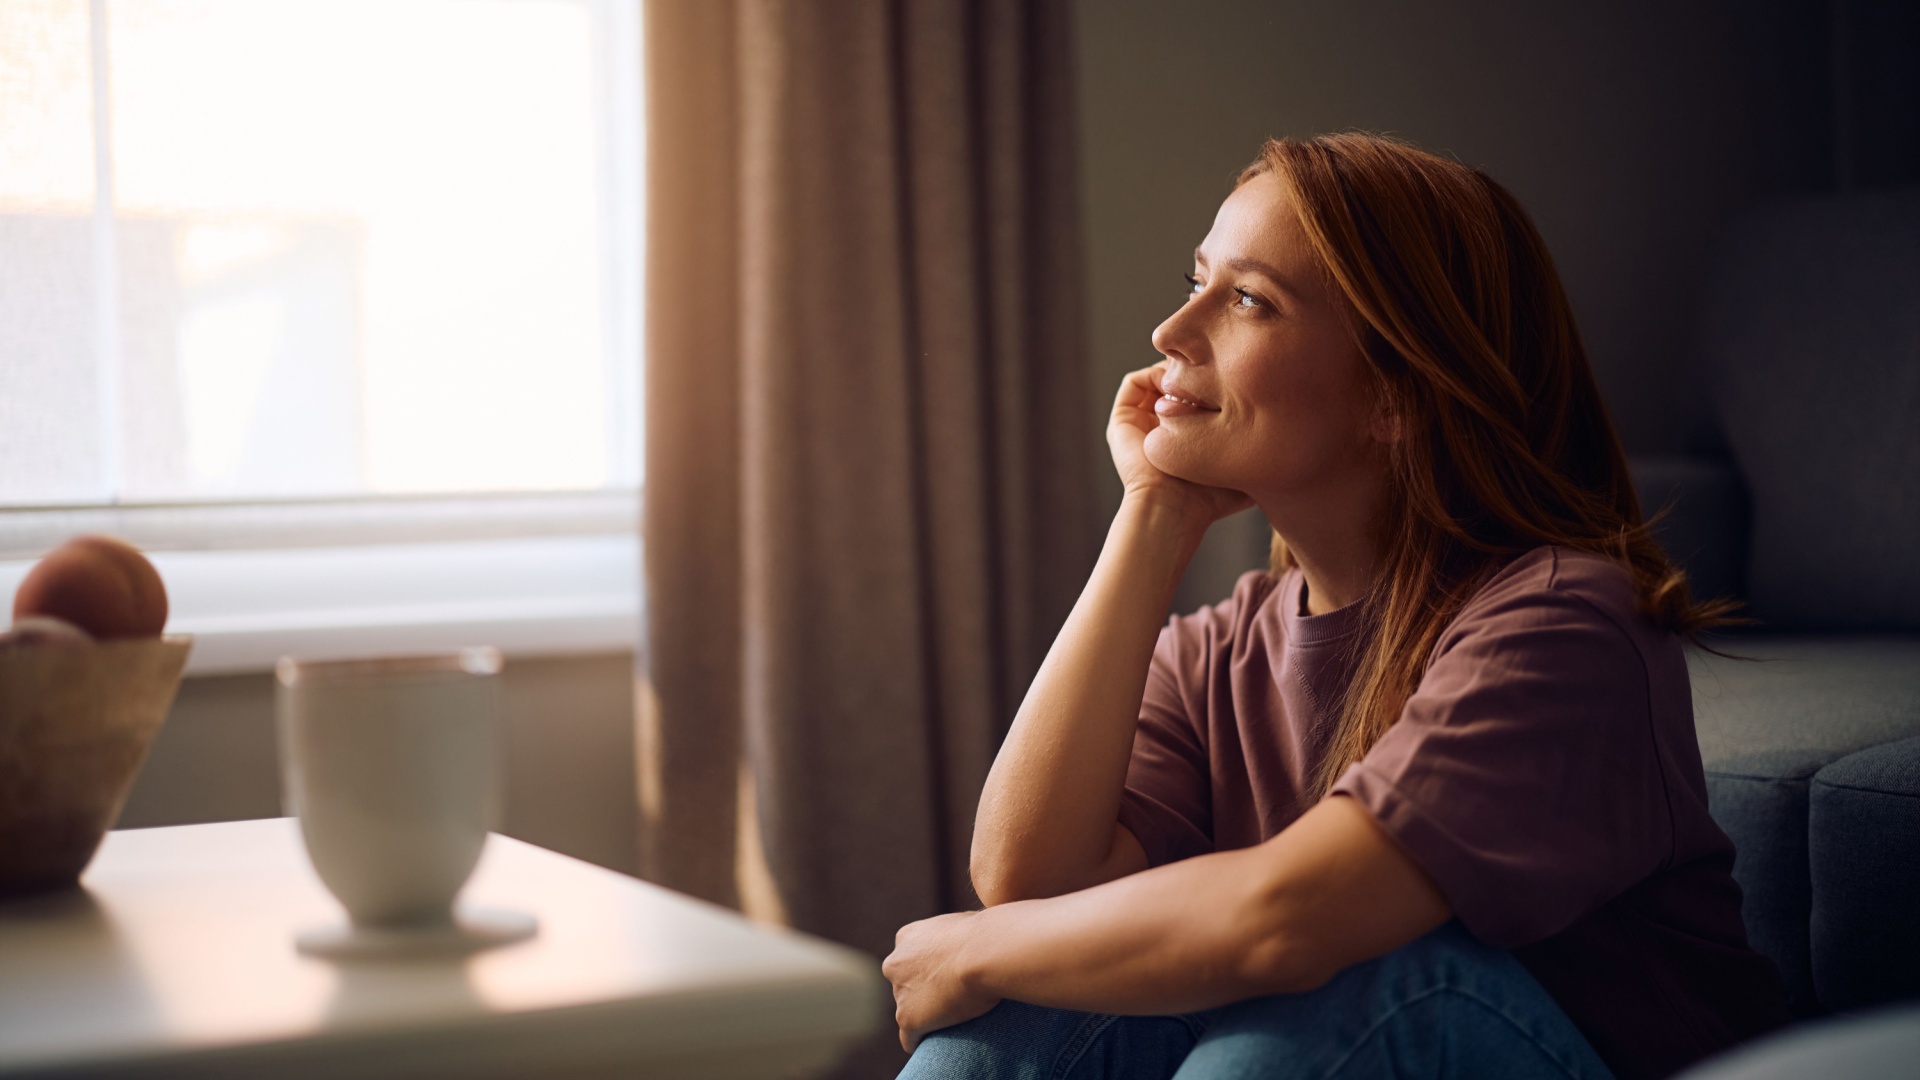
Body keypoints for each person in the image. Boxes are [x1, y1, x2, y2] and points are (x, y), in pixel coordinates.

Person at [881, 133, 1790, 1080]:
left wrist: (974, 950)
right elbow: (1029, 883)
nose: (1171, 333)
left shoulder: (1563, 626)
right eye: (1196, 279)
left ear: (1397, 392)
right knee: (1017, 1021)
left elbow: (1287, 925)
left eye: (1246, 300)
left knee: (1347, 997)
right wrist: (1151, 516)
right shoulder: (1217, 648)